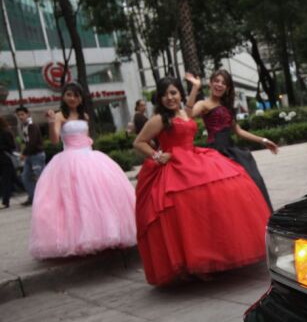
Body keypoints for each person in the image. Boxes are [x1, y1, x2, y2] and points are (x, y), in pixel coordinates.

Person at [134, 76, 270, 286]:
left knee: (220, 197)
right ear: (159, 99)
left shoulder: (183, 113)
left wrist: (196, 87)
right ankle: (195, 264)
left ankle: (217, 253)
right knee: (187, 215)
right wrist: (158, 156)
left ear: (179, 93)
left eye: (173, 93)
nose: (169, 98)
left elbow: (190, 109)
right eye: (164, 95)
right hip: (175, 167)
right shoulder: (159, 119)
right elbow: (139, 142)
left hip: (195, 157)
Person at [29, 82, 136, 259]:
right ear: (63, 96)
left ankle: (107, 232)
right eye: (69, 94)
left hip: (90, 157)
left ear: (81, 98)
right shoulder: (59, 116)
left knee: (99, 198)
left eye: (77, 95)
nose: (73, 99)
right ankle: (77, 239)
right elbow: (55, 141)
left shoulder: (84, 115)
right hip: (69, 159)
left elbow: (86, 138)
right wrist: (50, 122)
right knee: (75, 201)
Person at [185, 70, 277, 210]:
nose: (219, 85)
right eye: (216, 81)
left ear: (227, 88)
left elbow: (238, 131)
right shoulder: (204, 104)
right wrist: (195, 88)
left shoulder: (226, 107)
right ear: (210, 83)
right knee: (225, 191)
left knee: (254, 180)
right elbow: (187, 115)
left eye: (224, 83)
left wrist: (263, 140)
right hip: (215, 154)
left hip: (232, 151)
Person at [15, 106, 45, 206]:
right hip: (30, 155)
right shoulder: (24, 125)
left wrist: (23, 153)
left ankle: (44, 198)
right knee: (25, 176)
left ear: (28, 114)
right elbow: (28, 142)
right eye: (18, 115)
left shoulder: (32, 125)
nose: (20, 117)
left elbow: (33, 142)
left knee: (40, 178)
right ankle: (33, 197)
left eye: (22, 114)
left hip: (36, 155)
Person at [0, 118, 19, 209]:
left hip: (6, 159)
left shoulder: (5, 132)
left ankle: (5, 202)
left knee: (6, 181)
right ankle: (34, 194)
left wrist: (2, 147)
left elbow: (11, 146)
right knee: (16, 179)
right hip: (3, 160)